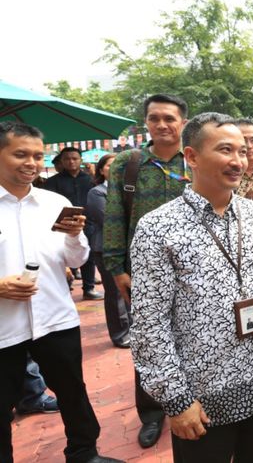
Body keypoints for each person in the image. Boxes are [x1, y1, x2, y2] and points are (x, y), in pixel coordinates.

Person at [129, 112, 253, 462]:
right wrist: (176, 401)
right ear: (191, 156)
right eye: (226, 150)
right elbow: (150, 325)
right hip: (202, 399)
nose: (238, 161)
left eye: (242, 150)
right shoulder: (158, 228)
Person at [0, 121, 122, 463]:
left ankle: (84, 453)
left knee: (72, 393)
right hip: (4, 329)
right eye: (20, 154)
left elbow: (78, 258)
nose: (31, 163)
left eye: (38, 156)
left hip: (55, 318)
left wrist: (72, 236)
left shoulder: (54, 202)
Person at [103, 93, 189, 449]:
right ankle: (152, 413)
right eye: (155, 118)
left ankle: (190, 400)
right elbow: (114, 216)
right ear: (146, 123)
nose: (162, 125)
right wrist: (116, 267)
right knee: (149, 341)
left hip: (194, 268)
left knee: (195, 334)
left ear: (183, 121)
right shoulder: (128, 163)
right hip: (143, 272)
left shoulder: (195, 158)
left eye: (169, 118)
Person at [44, 147, 102, 301]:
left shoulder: (91, 180)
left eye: (74, 158)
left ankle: (89, 288)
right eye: (67, 159)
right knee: (62, 256)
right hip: (62, 224)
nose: (71, 161)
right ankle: (65, 288)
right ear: (62, 161)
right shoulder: (52, 182)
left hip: (88, 223)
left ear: (80, 160)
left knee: (88, 256)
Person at [85, 154, 130, 348]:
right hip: (105, 248)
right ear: (101, 169)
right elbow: (109, 220)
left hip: (127, 247)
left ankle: (131, 328)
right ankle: (120, 333)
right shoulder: (97, 192)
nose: (115, 169)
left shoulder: (127, 190)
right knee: (114, 293)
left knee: (129, 290)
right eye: (110, 165)